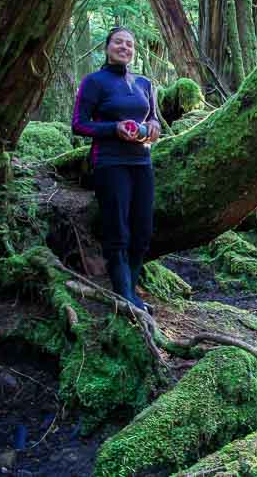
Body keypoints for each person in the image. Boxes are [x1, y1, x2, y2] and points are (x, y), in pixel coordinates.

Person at [71, 26, 161, 311]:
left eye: (130, 44)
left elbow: (156, 121)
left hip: (141, 162)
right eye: (119, 43)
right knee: (118, 230)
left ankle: (131, 291)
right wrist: (114, 128)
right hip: (110, 163)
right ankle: (125, 296)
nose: (125, 47)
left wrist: (149, 129)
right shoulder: (94, 82)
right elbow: (79, 124)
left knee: (143, 230)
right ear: (107, 47)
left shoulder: (145, 84)